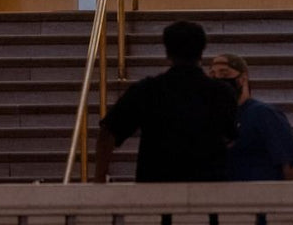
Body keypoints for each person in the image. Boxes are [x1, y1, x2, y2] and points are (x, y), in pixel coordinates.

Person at [94, 21, 238, 185]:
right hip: (208, 190)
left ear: (168, 52)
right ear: (201, 52)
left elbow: (108, 132)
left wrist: (99, 179)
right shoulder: (221, 93)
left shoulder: (147, 90)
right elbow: (230, 137)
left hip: (156, 189)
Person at [210, 53, 293, 225]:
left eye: (224, 74)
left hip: (260, 210)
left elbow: (292, 167)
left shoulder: (263, 114)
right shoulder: (215, 119)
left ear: (242, 78)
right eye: (213, 75)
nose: (217, 80)